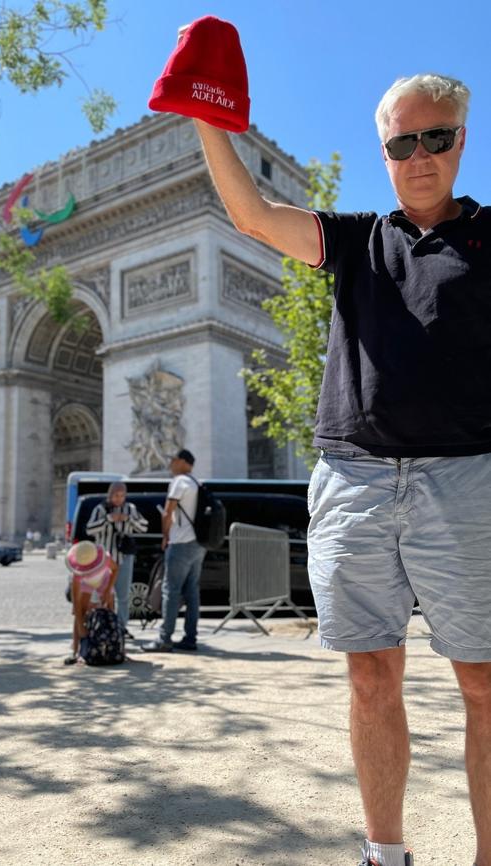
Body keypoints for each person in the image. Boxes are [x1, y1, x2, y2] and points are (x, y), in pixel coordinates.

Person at [189, 57, 491, 866]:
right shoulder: (356, 240)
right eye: (402, 142)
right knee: (369, 680)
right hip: (355, 479)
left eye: (436, 138)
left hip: (468, 479)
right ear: (383, 150)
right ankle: (383, 852)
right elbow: (251, 216)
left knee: (486, 688)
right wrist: (203, 114)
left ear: (463, 140)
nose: (419, 155)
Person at [143, 449, 206, 653]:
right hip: (198, 544)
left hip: (180, 542)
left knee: (170, 590)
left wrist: (165, 536)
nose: (170, 465)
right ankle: (190, 638)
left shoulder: (179, 482)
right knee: (192, 593)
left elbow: (168, 512)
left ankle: (164, 639)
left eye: (173, 461)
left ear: (182, 462)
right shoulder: (197, 483)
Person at [86, 481, 148, 638]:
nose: (119, 499)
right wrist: (108, 520)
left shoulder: (131, 509)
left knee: (124, 595)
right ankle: (98, 623)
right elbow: (89, 529)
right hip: (104, 559)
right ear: (110, 495)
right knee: (100, 593)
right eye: (116, 495)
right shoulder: (100, 509)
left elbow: (144, 527)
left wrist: (128, 519)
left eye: (122, 496)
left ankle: (121, 627)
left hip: (124, 557)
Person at [64, 540, 117, 665]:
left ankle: (112, 646)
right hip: (86, 582)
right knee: (81, 612)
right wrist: (81, 627)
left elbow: (115, 570)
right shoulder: (77, 574)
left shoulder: (106, 559)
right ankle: (75, 650)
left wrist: (108, 590)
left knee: (109, 611)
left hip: (104, 579)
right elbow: (76, 602)